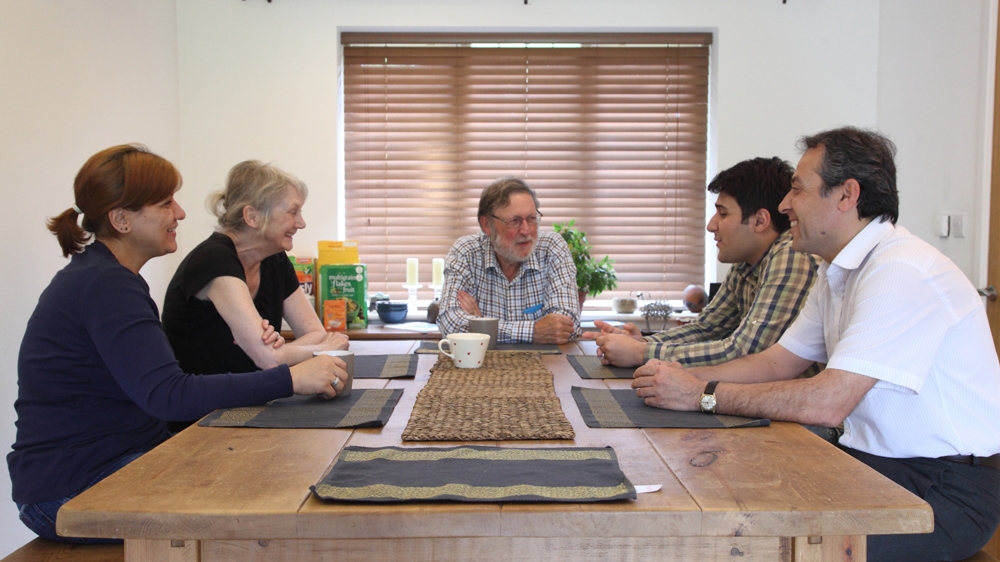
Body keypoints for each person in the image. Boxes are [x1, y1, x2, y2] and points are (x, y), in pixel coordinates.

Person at [632, 127, 1000, 561]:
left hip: (945, 492)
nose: (785, 205)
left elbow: (827, 402)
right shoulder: (837, 270)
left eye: (797, 189)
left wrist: (700, 395)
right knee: (719, 488)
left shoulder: (901, 269)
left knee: (753, 546)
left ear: (846, 195)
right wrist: (681, 380)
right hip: (873, 466)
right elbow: (775, 362)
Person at [8, 145, 348, 543]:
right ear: (121, 220)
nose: (181, 214)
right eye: (167, 203)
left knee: (274, 476)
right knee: (264, 506)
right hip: (70, 489)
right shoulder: (105, 286)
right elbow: (169, 395)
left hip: (116, 463)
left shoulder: (107, 279)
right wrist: (290, 379)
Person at [162, 161, 347, 430]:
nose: (301, 223)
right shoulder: (214, 260)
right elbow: (270, 359)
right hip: (202, 422)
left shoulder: (274, 259)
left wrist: (284, 351)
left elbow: (314, 333)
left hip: (252, 407)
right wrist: (315, 351)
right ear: (252, 217)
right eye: (292, 212)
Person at [586, 157, 818, 371]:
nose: (711, 225)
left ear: (760, 221)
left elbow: (743, 351)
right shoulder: (746, 262)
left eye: (723, 214)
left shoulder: (791, 255)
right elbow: (707, 329)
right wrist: (640, 342)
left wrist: (641, 352)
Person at [436, 177, 580, 344]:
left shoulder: (551, 249)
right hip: (480, 368)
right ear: (487, 225)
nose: (526, 230)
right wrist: (533, 331)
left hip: (545, 366)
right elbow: (450, 323)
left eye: (532, 218)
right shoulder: (466, 252)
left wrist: (483, 326)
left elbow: (567, 326)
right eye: (515, 221)